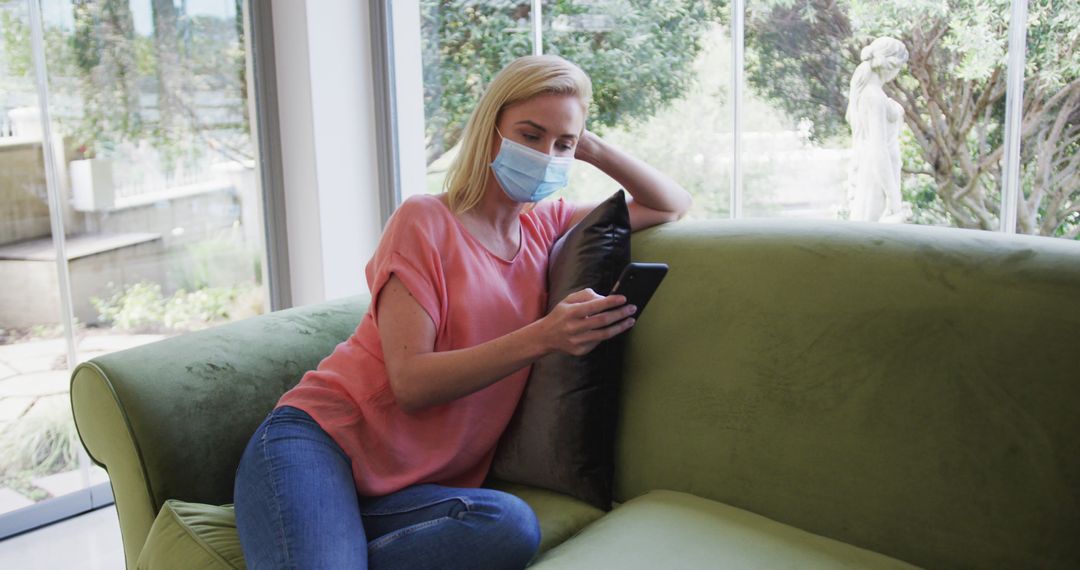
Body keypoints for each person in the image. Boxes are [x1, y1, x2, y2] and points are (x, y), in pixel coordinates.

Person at [233, 54, 691, 569]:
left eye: (561, 144)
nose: (546, 155)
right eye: (530, 134)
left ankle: (325, 541)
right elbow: (411, 384)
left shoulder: (547, 226)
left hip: (409, 492)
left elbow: (670, 203)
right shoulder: (424, 219)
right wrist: (544, 335)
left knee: (511, 524)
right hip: (320, 444)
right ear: (490, 131)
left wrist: (588, 144)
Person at [846, 37, 911, 223]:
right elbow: (878, 148)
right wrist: (892, 194)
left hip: (882, 171)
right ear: (891, 64)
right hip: (878, 175)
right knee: (873, 234)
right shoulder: (873, 96)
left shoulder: (873, 94)